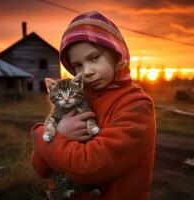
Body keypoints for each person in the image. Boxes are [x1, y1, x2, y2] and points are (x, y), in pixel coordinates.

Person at [30, 11, 156, 200]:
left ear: (117, 54)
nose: (87, 71)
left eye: (94, 57)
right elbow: (41, 168)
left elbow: (89, 166)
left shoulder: (136, 105)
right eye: (77, 65)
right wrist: (60, 135)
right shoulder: (75, 99)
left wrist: (40, 135)